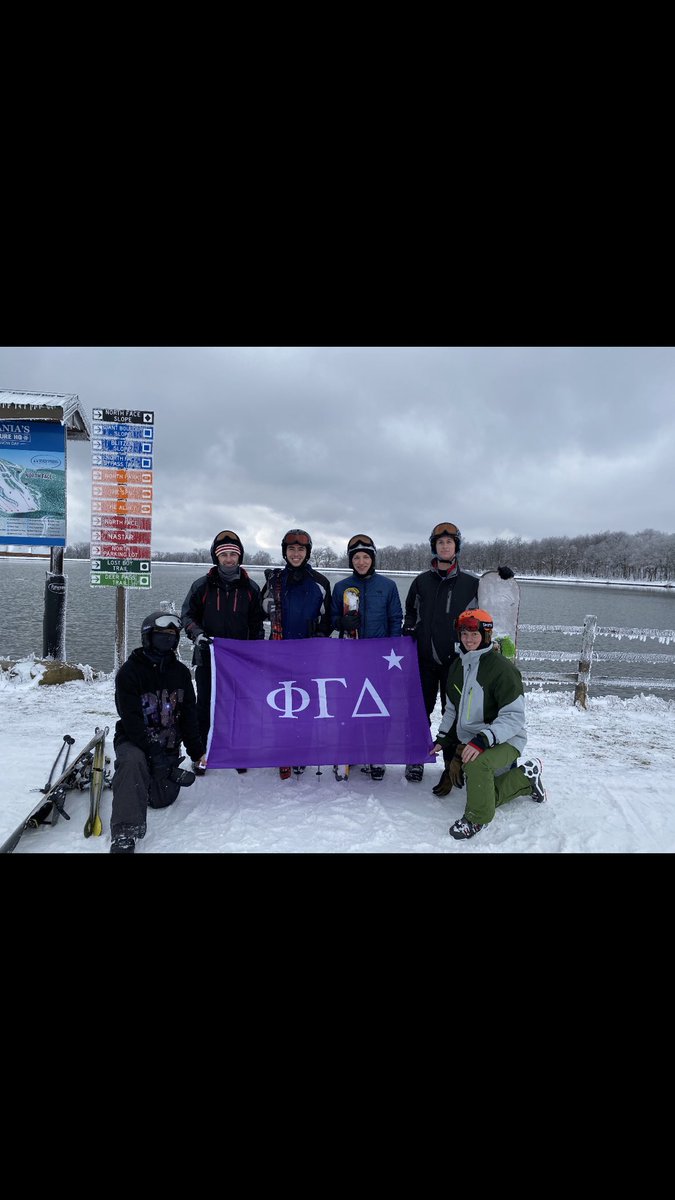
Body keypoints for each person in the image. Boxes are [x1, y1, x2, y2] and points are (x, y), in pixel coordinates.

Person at [403, 521, 514, 784]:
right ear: (434, 547)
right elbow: (410, 613)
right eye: (440, 543)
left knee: (454, 713)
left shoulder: (471, 584)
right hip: (425, 660)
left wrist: (503, 580)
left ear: (456, 548)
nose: (444, 546)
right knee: (420, 710)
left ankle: (450, 763)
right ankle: (416, 758)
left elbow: (493, 608)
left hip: (459, 663)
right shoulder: (421, 582)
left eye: (449, 542)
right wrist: (409, 631)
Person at [433, 608, 547, 840]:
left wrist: (481, 741)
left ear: (486, 635)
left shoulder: (502, 670)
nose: (468, 639)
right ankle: (527, 776)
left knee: (477, 766)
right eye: (464, 633)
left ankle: (476, 818)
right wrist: (443, 739)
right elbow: (452, 709)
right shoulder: (458, 666)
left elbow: (514, 718)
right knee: (483, 791)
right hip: (475, 739)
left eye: (474, 634)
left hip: (506, 738)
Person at [109, 610, 205, 854]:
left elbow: (189, 715)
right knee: (133, 762)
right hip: (135, 741)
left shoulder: (181, 673)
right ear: (148, 637)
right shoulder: (130, 672)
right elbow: (130, 719)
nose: (167, 639)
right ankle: (124, 834)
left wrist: (197, 752)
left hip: (168, 745)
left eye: (172, 635)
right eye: (161, 634)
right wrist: (152, 752)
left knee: (160, 801)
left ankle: (151, 777)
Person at [181, 529, 264, 773]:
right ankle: (201, 754)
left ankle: (237, 752)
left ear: (239, 558)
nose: (229, 559)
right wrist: (197, 634)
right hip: (209, 657)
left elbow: (256, 624)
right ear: (216, 558)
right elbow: (187, 615)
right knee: (205, 706)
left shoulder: (250, 588)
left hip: (239, 661)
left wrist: (255, 652)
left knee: (237, 705)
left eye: (233, 555)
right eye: (224, 555)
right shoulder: (202, 586)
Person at [260, 528, 333, 779]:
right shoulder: (274, 582)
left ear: (307, 553)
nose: (296, 553)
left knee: (305, 704)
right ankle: (283, 750)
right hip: (278, 652)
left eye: (301, 549)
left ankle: (302, 750)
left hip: (309, 654)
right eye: (291, 549)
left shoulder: (320, 583)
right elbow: (258, 613)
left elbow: (329, 618)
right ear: (285, 552)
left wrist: (320, 633)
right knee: (282, 705)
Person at [330, 534, 403, 781]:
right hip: (350, 657)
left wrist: (393, 654)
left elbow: (396, 620)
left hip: (379, 658)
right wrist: (342, 621)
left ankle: (376, 753)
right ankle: (347, 752)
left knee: (377, 707)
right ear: (351, 561)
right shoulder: (341, 588)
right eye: (357, 557)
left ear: (373, 559)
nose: (361, 562)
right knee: (348, 705)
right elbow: (330, 620)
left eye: (366, 557)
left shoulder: (388, 586)